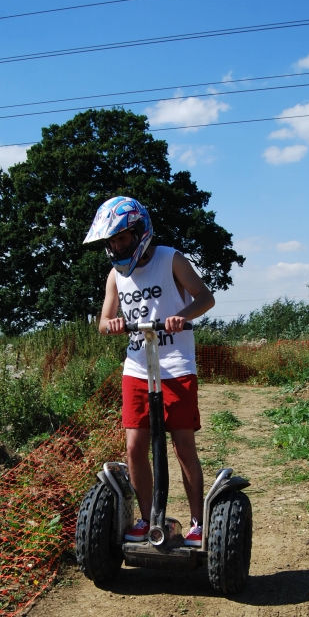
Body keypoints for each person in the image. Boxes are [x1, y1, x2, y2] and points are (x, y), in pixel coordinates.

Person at [83, 195, 215, 544]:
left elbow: (205, 298)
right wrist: (111, 325)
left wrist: (180, 318)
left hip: (175, 365)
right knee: (135, 446)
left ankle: (197, 524)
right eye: (112, 241)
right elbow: (104, 321)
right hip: (138, 367)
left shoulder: (170, 259)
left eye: (122, 238)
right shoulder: (116, 276)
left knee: (182, 444)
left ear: (139, 232)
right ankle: (147, 519)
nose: (116, 246)